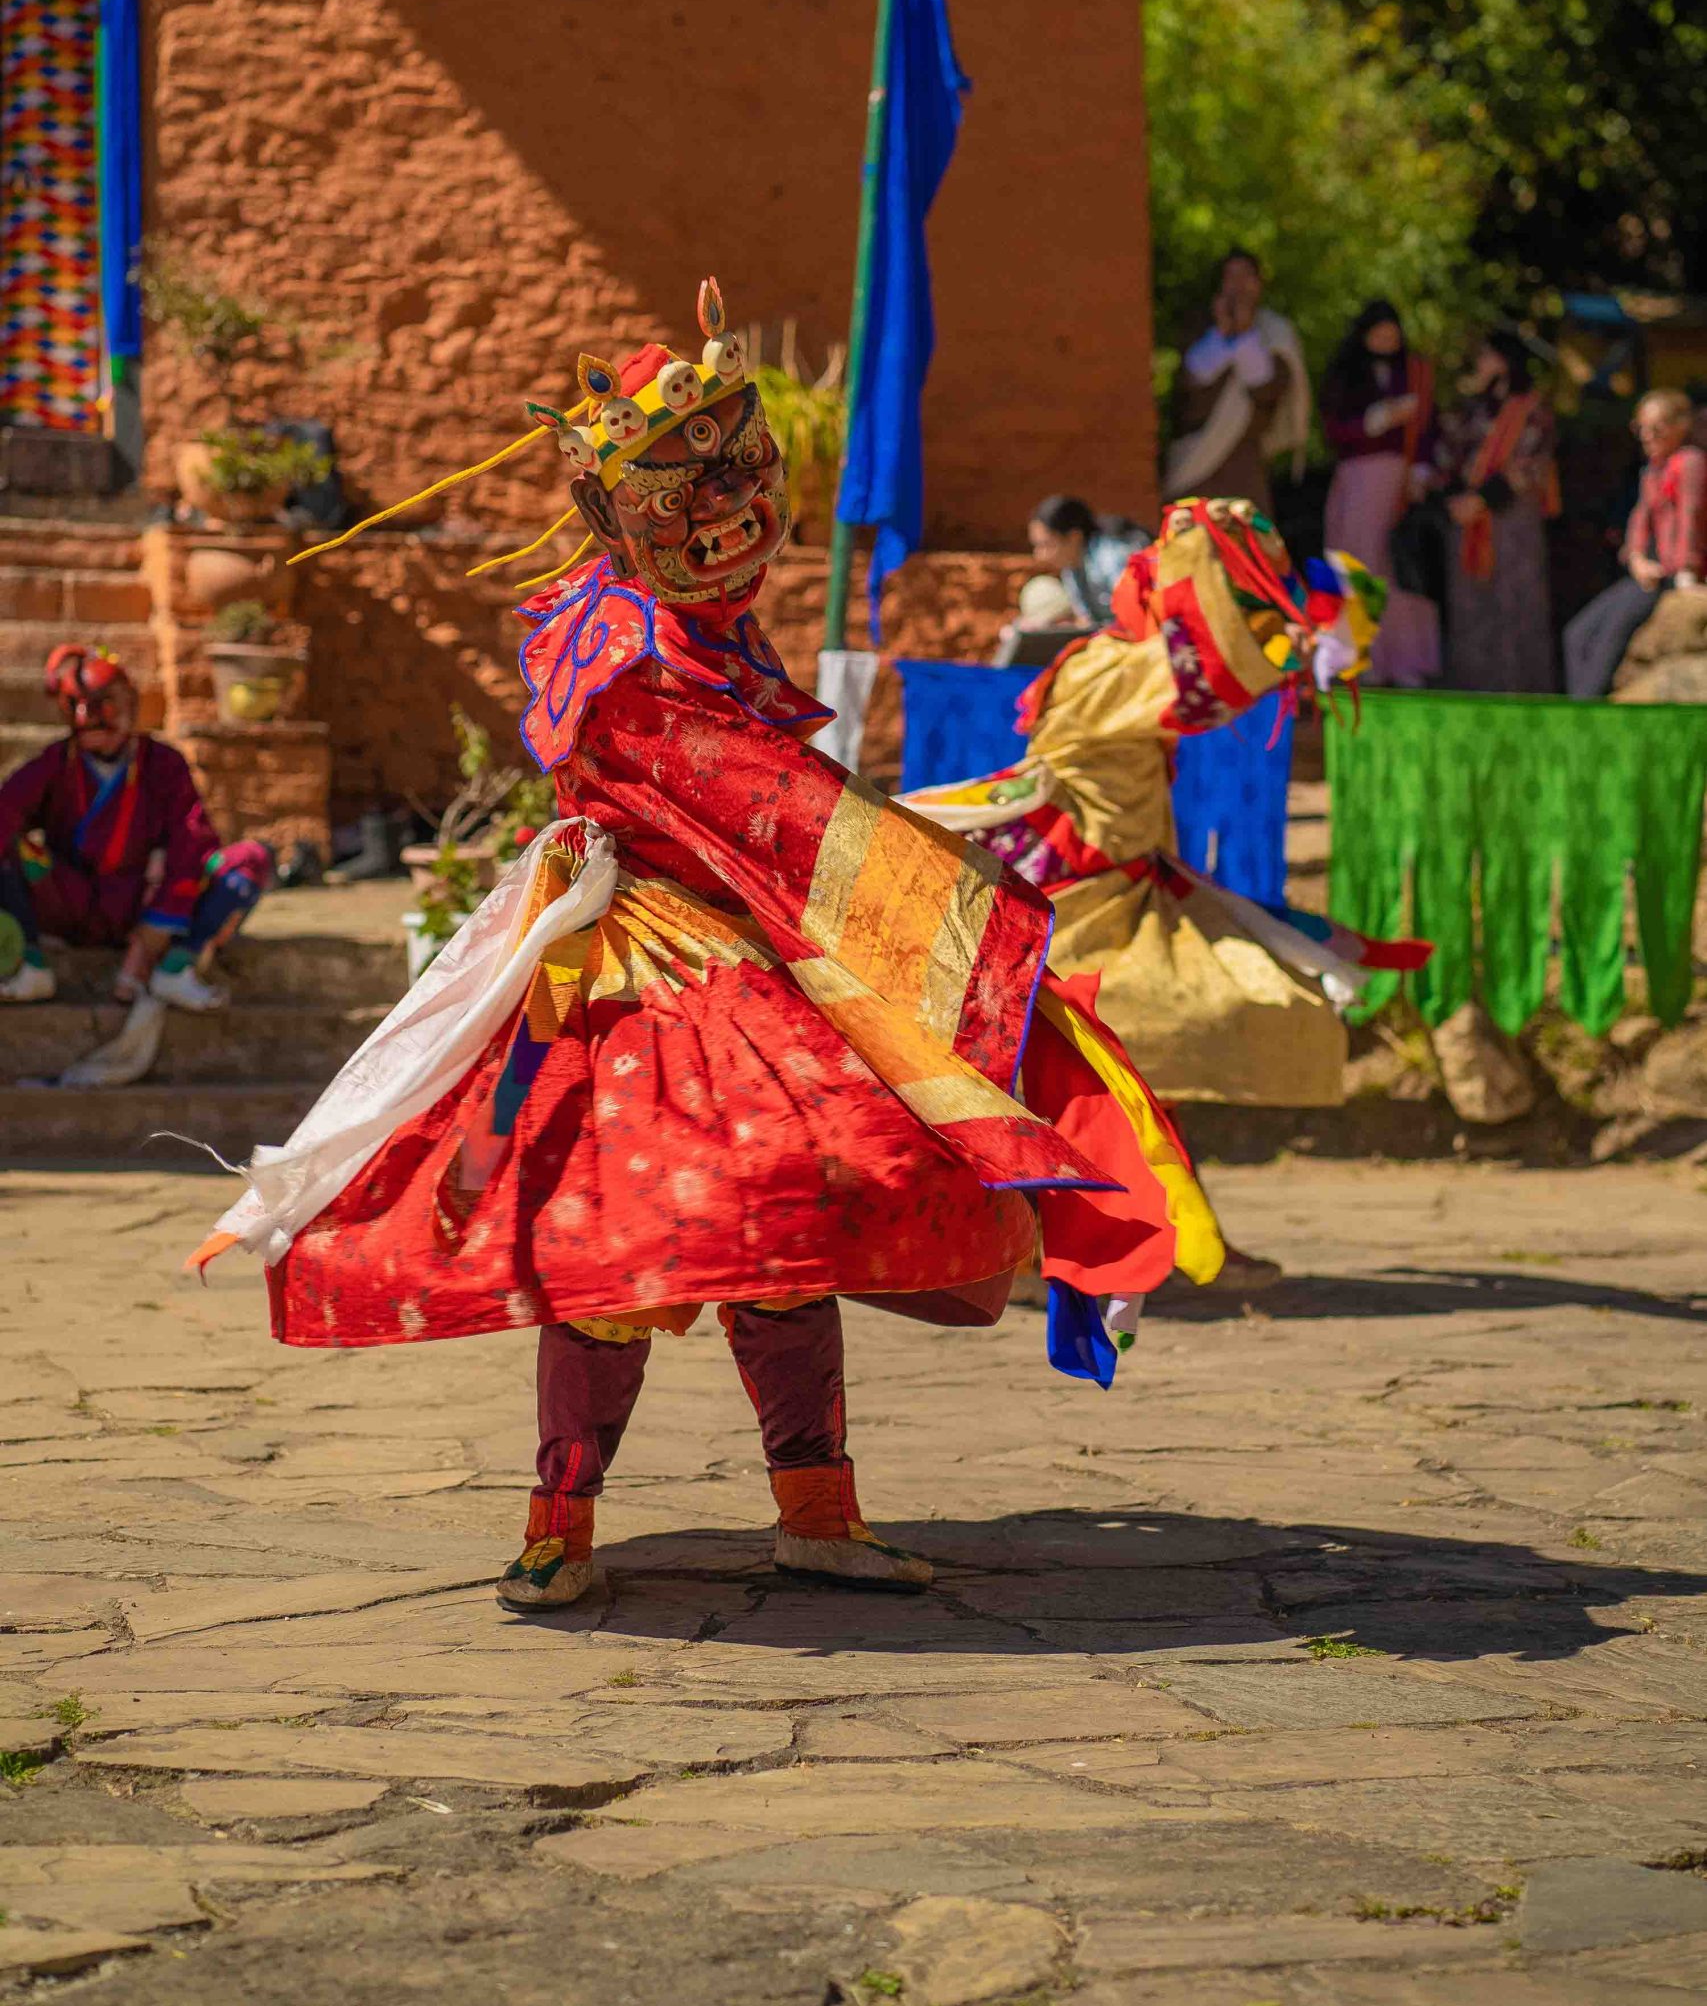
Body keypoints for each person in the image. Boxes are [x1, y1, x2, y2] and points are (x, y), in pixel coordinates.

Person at [190, 280, 1230, 1612]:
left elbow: (767, 797)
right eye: (688, 490)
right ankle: (558, 1525)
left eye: (738, 477)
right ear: (617, 510)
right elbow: (747, 793)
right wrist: (907, 875)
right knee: (616, 1243)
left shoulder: (711, 624)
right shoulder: (607, 636)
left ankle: (818, 1512)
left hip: (741, 953)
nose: (723, 511)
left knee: (786, 1218)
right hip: (635, 966)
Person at [904, 498, 1423, 1141]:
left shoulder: (1115, 658)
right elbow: (1212, 677)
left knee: (1145, 1061)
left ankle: (1175, 1228)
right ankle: (1157, 1230)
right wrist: (1291, 622)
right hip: (1080, 896)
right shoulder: (1111, 666)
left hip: (1118, 882)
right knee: (1123, 1047)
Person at [0, 645, 274, 1009]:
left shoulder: (164, 764)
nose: (93, 723)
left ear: (129, 706)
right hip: (71, 904)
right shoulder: (56, 764)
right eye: (81, 712)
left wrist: (156, 926)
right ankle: (29, 963)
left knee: (250, 861)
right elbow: (7, 809)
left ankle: (176, 968)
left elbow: (191, 841)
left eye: (107, 709)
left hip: (142, 905)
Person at [1319, 301, 1440, 686]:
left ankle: (1406, 661)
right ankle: (1360, 658)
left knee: (1398, 565)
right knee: (1357, 563)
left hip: (1399, 478)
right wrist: (1378, 419)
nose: (1387, 340)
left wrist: (1421, 469)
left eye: (1393, 333)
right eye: (1379, 333)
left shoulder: (1415, 373)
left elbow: (1429, 427)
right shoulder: (1345, 376)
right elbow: (1334, 429)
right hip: (1357, 480)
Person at [1434, 331, 1559, 694]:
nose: (1478, 363)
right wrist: (1455, 498)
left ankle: (1522, 692)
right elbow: (1447, 456)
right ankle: (1475, 689)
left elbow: (1531, 463)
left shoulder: (1532, 409)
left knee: (1516, 605)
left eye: (1485, 355)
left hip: (1511, 519)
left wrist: (1483, 499)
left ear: (1504, 360)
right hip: (1466, 521)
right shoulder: (1470, 408)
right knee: (1472, 606)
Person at [1564, 390, 1707, 698]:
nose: (1646, 436)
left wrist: (1686, 572)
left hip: (1669, 576)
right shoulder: (1654, 469)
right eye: (1640, 428)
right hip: (1646, 573)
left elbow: (1690, 518)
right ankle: (1579, 708)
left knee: (1607, 641)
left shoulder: (1690, 462)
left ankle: (1588, 708)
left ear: (1681, 425)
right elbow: (1638, 525)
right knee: (1576, 635)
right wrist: (1637, 558)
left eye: (1656, 428)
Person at [1164, 250, 1311, 516]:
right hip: (1197, 459)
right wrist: (1222, 335)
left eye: (1247, 276)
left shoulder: (1275, 332)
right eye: (1231, 276)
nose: (1239, 284)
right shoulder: (1198, 324)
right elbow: (1191, 383)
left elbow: (1268, 388)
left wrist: (1244, 334)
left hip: (1245, 461)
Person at [1012, 495, 1148, 636]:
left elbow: (1136, 614)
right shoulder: (1072, 568)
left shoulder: (1111, 559)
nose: (1039, 555)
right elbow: (1088, 622)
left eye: (1046, 545)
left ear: (1074, 537)